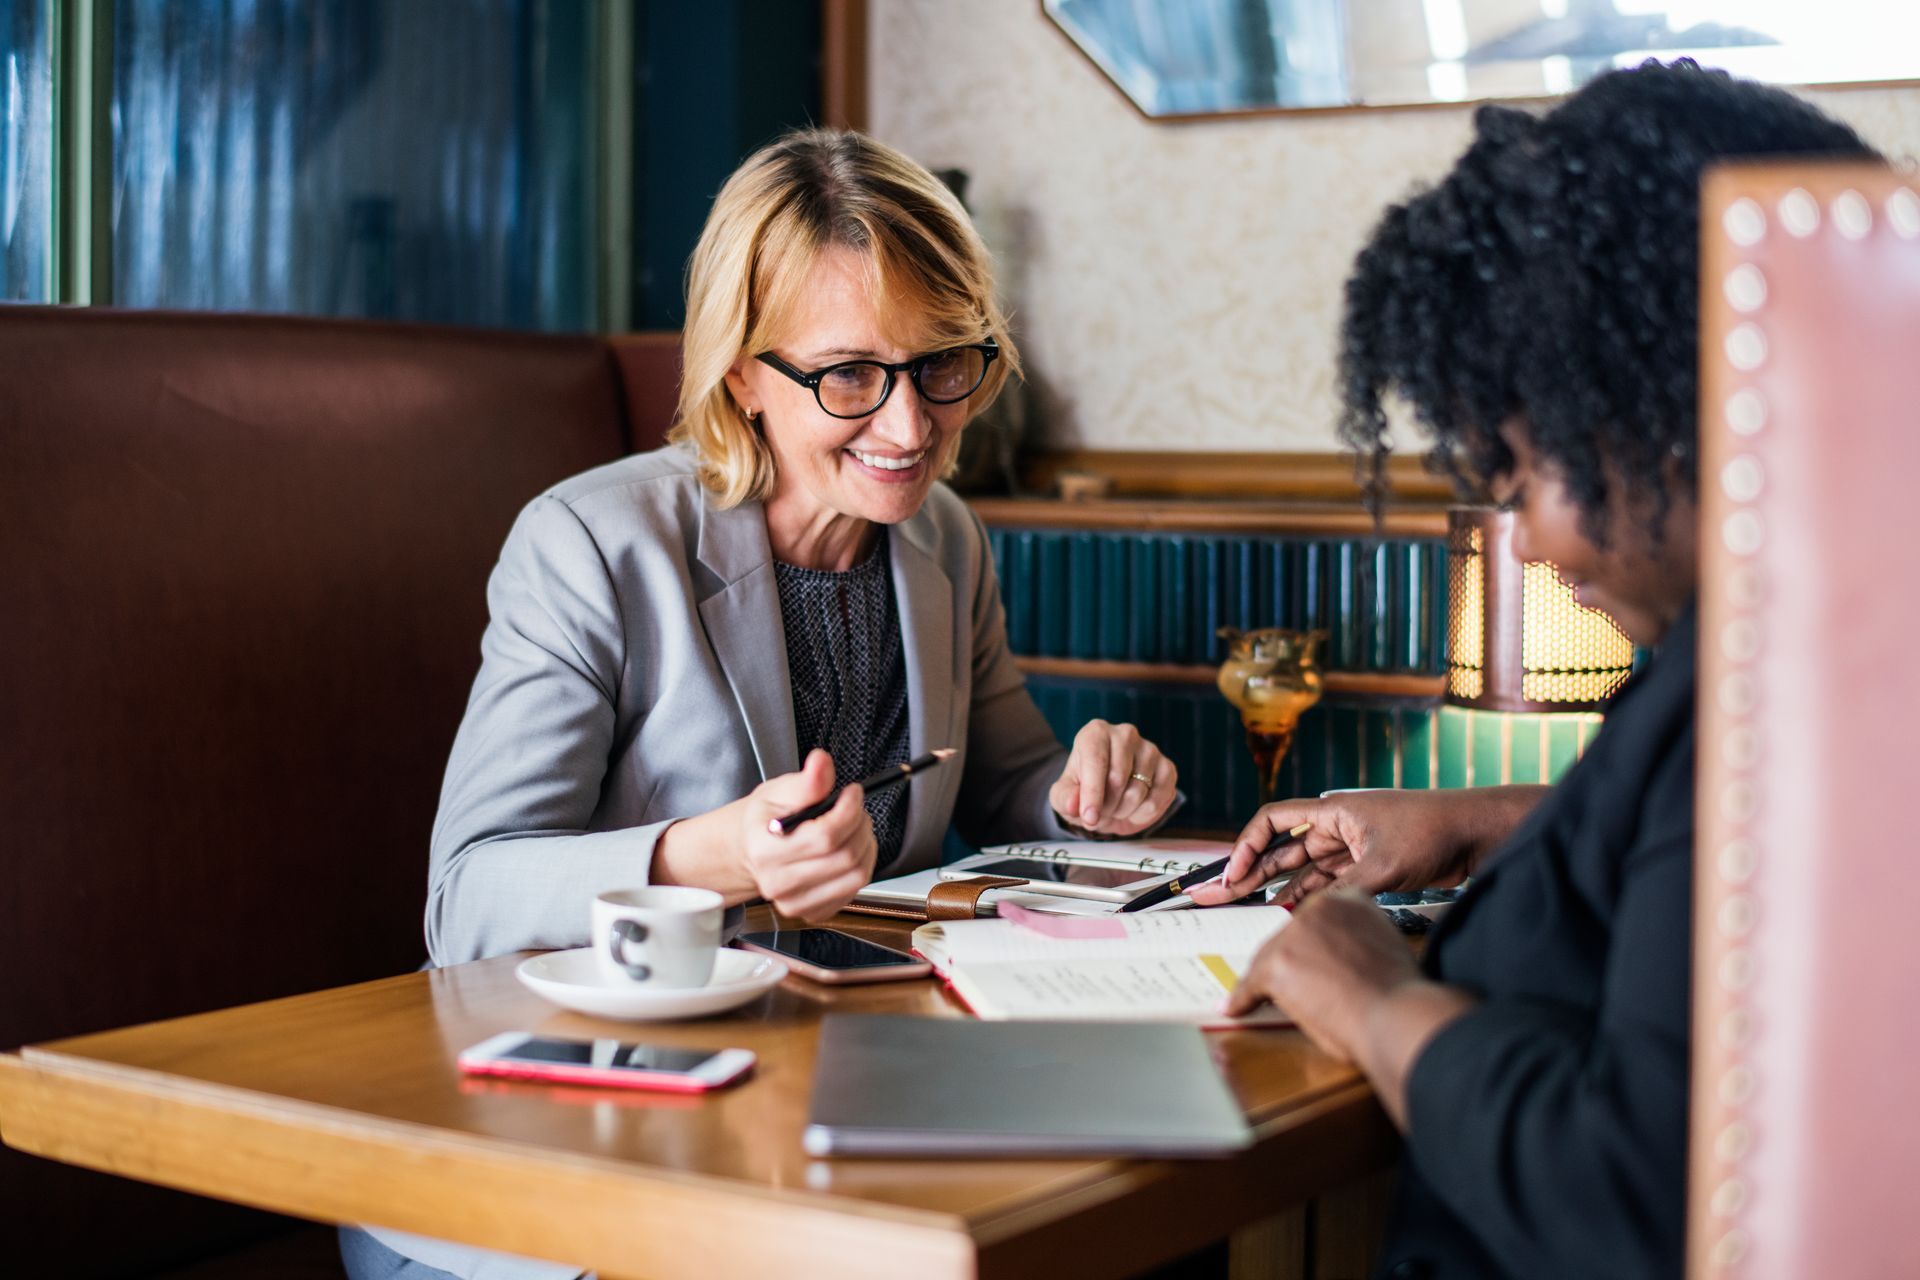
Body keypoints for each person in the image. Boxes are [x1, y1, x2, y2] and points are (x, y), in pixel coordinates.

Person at [341, 128, 1181, 1279]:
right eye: (848, 376)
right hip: (560, 1159)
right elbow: (467, 900)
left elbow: (1006, 780)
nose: (909, 426)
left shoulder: (942, 535)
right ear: (743, 372)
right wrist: (713, 855)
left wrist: (1088, 789)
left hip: (826, 1110)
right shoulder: (591, 543)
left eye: (945, 363)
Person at [1188, 62, 1879, 1280]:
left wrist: (1374, 999)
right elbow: (1711, 865)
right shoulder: (1810, 647)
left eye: (1515, 482)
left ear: (1648, 406)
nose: (1543, 550)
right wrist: (1477, 821)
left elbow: (1635, 1192)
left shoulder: (1765, 694)